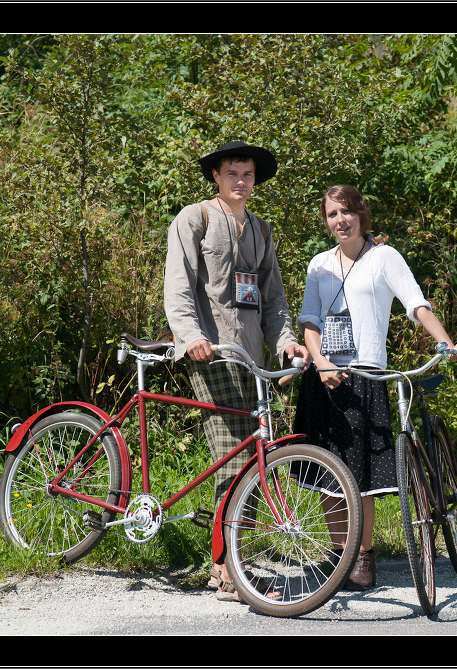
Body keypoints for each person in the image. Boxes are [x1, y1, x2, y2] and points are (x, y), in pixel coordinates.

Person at [292, 184, 457, 591]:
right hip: (322, 376)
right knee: (324, 474)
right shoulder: (319, 264)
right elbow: (309, 320)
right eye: (332, 214)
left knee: (361, 476)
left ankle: (362, 556)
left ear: (361, 215)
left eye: (347, 212)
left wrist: (445, 344)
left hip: (365, 375)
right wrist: (319, 363)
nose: (340, 220)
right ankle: (337, 557)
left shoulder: (384, 257)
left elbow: (416, 304)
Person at [163, 141, 308, 601]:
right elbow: (179, 285)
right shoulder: (195, 218)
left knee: (253, 457)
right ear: (216, 178)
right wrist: (190, 338)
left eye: (246, 174)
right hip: (210, 353)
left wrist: (285, 343)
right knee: (233, 454)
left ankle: (234, 557)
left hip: (252, 360)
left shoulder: (261, 231)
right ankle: (225, 568)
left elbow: (274, 301)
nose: (240, 181)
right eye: (231, 173)